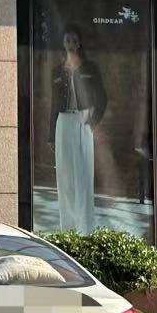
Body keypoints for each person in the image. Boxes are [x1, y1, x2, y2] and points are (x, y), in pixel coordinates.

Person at [50, 25, 107, 232]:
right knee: (65, 178)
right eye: (67, 40)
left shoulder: (90, 68)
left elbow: (102, 98)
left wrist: (93, 122)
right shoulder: (57, 71)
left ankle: (86, 230)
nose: (71, 44)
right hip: (63, 122)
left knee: (83, 177)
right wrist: (51, 136)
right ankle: (68, 230)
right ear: (63, 43)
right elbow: (54, 105)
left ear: (80, 43)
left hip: (83, 121)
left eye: (74, 40)